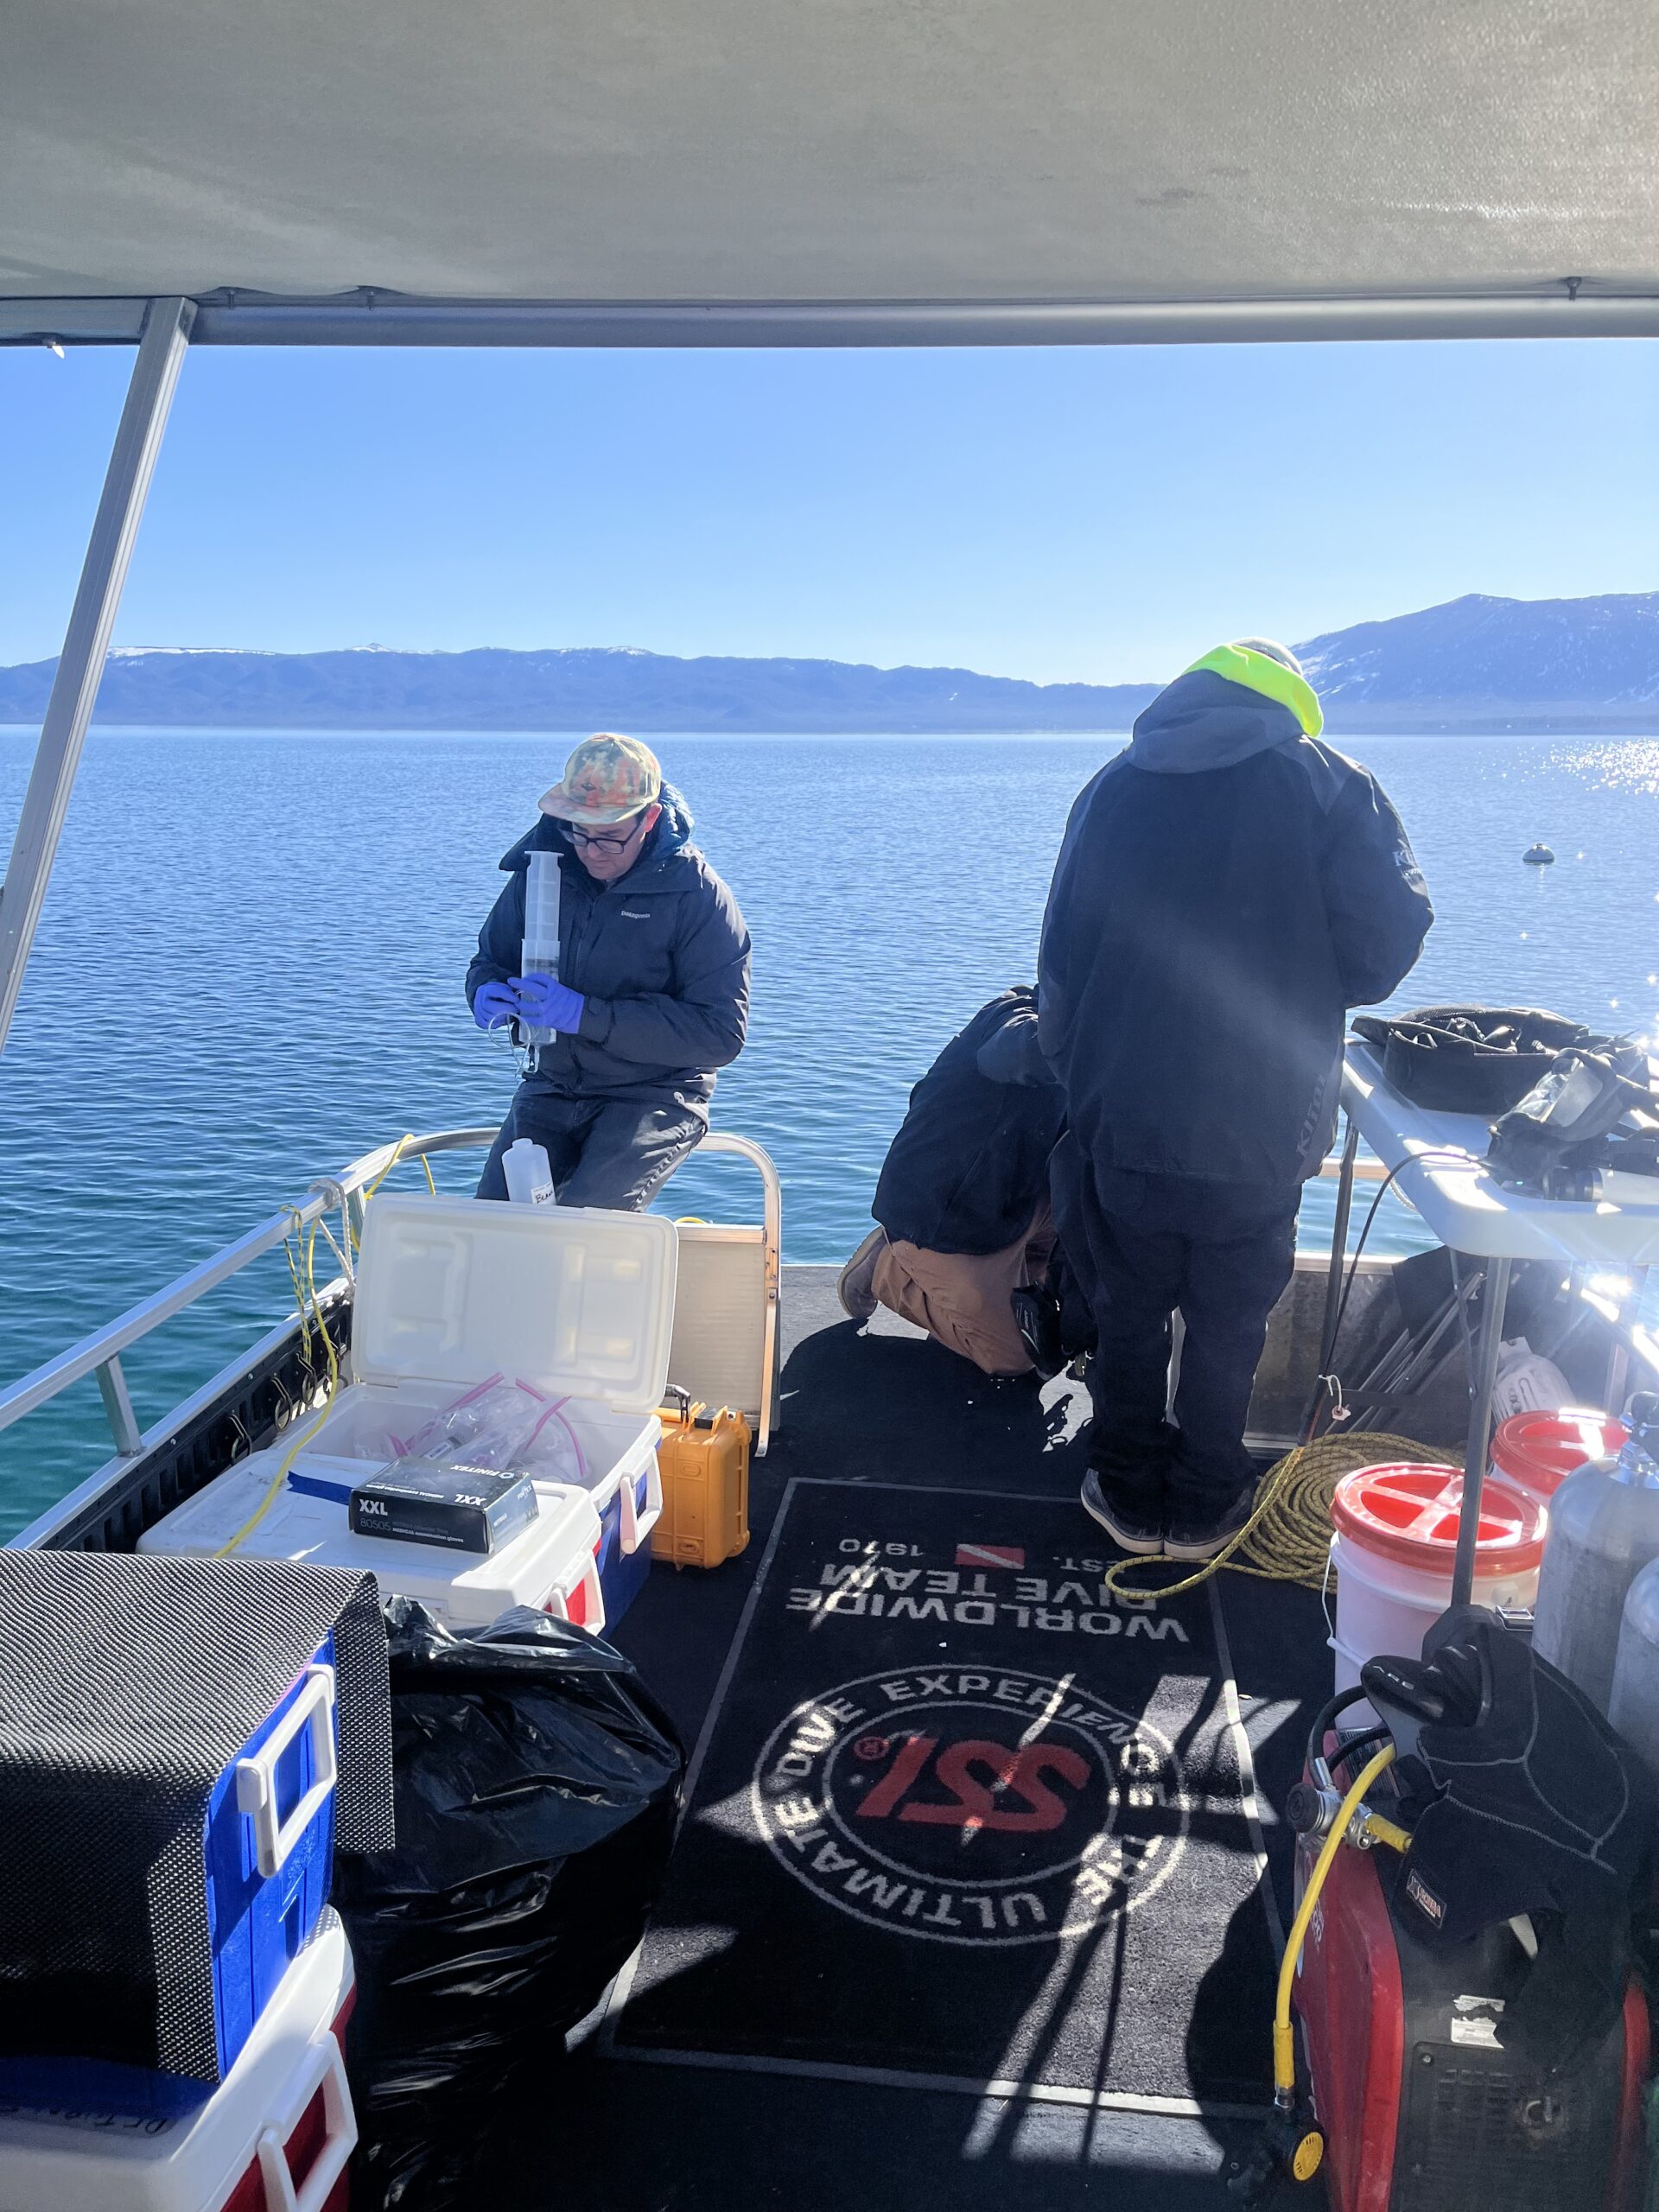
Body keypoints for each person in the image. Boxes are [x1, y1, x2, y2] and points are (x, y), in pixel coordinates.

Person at [1039, 639, 1433, 1560]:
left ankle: (1129, 1493)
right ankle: (1210, 1498)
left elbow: (1061, 954)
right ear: (1287, 702)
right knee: (1231, 1320)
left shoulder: (1112, 786)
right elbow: (1385, 948)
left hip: (1123, 1108)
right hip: (1266, 1115)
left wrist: (1081, 1082)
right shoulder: (1331, 783)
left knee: (1129, 1310)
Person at [467, 734, 750, 1210]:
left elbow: (720, 1034)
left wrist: (587, 1016)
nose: (592, 850)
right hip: (550, 1086)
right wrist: (484, 990)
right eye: (579, 831)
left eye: (610, 836)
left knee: (589, 1220)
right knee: (495, 1220)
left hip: (655, 1094)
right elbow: (490, 959)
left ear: (650, 818)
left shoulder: (698, 897)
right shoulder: (539, 875)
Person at [837, 988, 1066, 1376]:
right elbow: (1013, 1051)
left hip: (1011, 1200)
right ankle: (889, 1269)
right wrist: (1092, 1037)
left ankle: (985, 1294)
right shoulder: (1014, 1018)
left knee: (1080, 1226)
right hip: (944, 1215)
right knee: (1015, 1360)